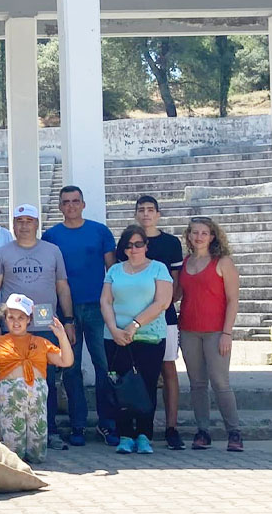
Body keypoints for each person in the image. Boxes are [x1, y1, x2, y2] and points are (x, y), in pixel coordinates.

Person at [0, 203, 74, 451]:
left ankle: (49, 431)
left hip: (45, 325)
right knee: (12, 379)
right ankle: (11, 432)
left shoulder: (52, 251)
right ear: (13, 225)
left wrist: (68, 321)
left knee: (47, 379)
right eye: (19, 221)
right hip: (13, 327)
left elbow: (62, 287)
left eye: (28, 221)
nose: (23, 225)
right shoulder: (2, 253)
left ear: (37, 224)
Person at [41, 185, 116, 448]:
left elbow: (112, 271)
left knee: (104, 366)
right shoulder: (51, 236)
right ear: (60, 207)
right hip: (65, 312)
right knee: (71, 368)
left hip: (97, 308)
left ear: (83, 204)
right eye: (66, 202)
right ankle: (78, 425)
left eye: (75, 201)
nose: (71, 206)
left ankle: (108, 423)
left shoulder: (100, 231)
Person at [0, 294, 74, 463]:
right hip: (11, 400)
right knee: (14, 452)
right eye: (11, 317)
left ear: (29, 319)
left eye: (21, 318)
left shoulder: (41, 342)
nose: (16, 322)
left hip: (36, 399)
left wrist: (62, 336)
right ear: (5, 319)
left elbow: (66, 361)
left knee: (37, 454)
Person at [100, 225, 173, 455]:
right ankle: (124, 435)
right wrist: (114, 329)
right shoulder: (114, 271)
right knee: (121, 387)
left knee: (146, 386)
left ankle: (143, 435)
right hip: (116, 338)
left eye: (138, 244)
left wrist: (134, 326)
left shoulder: (159, 269)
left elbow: (162, 302)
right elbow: (106, 301)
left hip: (149, 337)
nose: (134, 249)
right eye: (129, 245)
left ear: (146, 246)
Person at [179, 216, 243, 452]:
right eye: (194, 232)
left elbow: (233, 300)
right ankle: (203, 431)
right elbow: (177, 294)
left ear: (212, 236)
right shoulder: (186, 263)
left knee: (220, 382)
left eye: (204, 233)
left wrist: (227, 332)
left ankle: (234, 432)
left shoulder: (223, 262)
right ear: (189, 236)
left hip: (216, 331)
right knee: (197, 384)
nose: (198, 237)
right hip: (189, 330)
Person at [129, 196, 186, 449]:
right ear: (135, 214)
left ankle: (171, 427)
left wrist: (160, 305)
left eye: (150, 210)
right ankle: (137, 428)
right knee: (137, 373)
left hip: (165, 318)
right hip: (132, 318)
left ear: (158, 214)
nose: (146, 214)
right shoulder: (130, 240)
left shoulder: (171, 243)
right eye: (141, 210)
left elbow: (177, 282)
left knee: (168, 369)